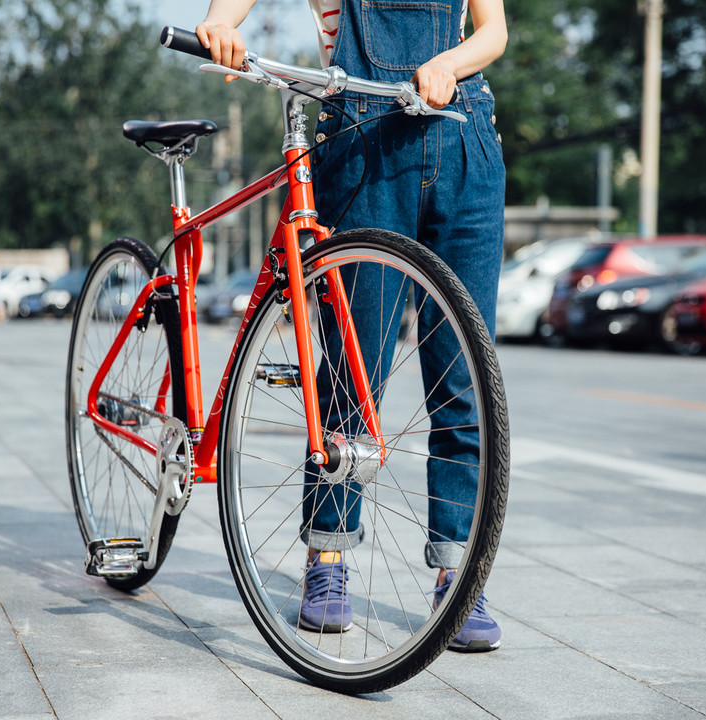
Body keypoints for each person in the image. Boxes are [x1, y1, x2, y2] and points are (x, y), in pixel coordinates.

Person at [197, 0, 507, 652]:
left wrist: (450, 61)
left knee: (463, 380)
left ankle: (460, 573)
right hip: (364, 149)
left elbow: (494, 32)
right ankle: (329, 558)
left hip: (464, 142)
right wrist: (222, 22)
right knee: (352, 373)